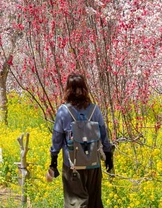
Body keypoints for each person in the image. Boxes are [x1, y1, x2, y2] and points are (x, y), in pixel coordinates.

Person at [48, 73, 114, 208]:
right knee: (94, 203)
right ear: (85, 89)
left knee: (75, 203)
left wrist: (53, 159)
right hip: (93, 165)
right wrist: (108, 155)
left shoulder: (63, 111)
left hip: (72, 165)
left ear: (67, 89)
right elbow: (103, 134)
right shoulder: (95, 110)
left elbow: (57, 138)